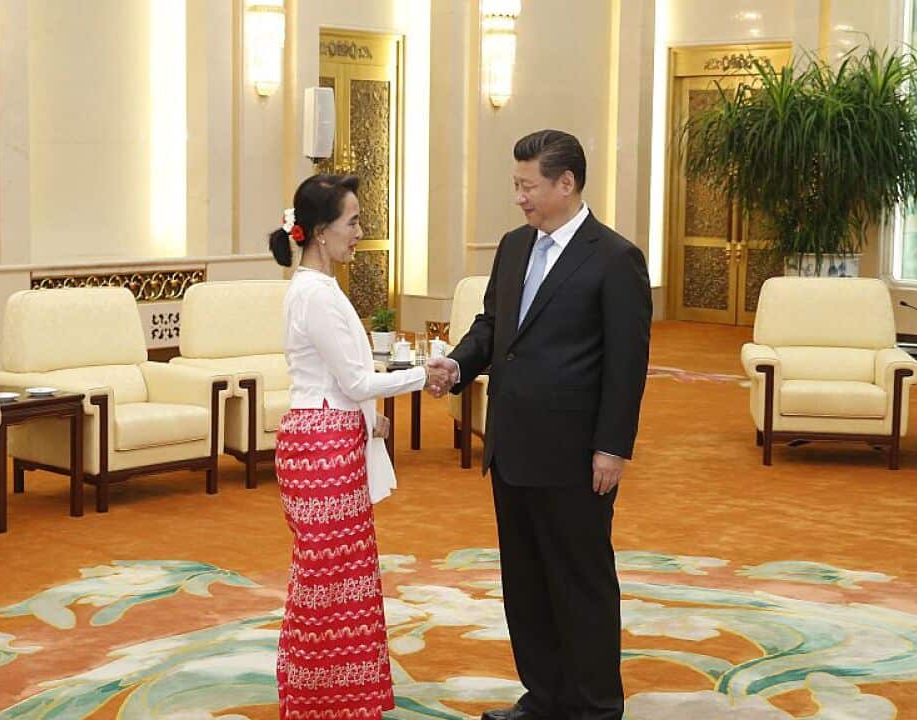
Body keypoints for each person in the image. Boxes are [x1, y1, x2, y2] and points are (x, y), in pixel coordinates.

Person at [426, 130, 652, 720]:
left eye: (528, 186)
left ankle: (596, 707)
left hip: (577, 455)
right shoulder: (512, 246)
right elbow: (493, 326)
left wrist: (612, 447)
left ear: (566, 183)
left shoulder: (614, 258)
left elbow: (628, 365)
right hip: (512, 446)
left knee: (581, 582)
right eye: (517, 185)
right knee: (525, 584)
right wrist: (458, 362)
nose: (519, 198)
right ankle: (544, 697)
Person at [270, 174, 451, 720]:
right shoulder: (314, 295)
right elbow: (352, 382)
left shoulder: (319, 289)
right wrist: (425, 373)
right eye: (353, 222)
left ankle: (335, 698)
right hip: (321, 449)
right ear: (321, 232)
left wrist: (369, 421)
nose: (360, 232)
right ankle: (318, 699)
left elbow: (339, 383)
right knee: (328, 580)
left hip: (331, 439)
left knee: (342, 579)